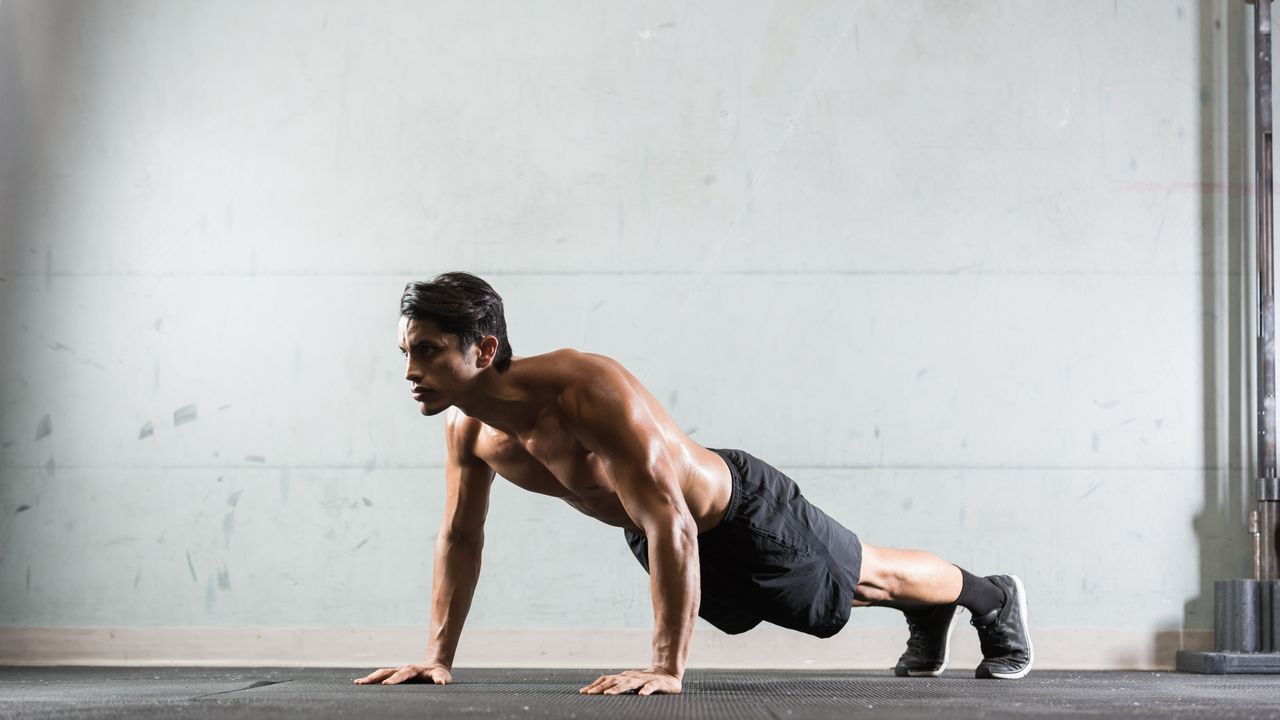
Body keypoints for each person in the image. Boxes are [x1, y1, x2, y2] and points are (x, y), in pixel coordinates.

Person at [354, 272, 1032, 695]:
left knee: (864, 579)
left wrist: (665, 668)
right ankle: (929, 608)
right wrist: (436, 657)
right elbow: (459, 537)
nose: (410, 370)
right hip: (656, 539)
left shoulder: (585, 388)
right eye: (406, 353)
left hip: (737, 512)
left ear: (485, 349)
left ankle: (991, 596)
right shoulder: (469, 433)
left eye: (428, 351)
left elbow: (672, 517)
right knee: (840, 595)